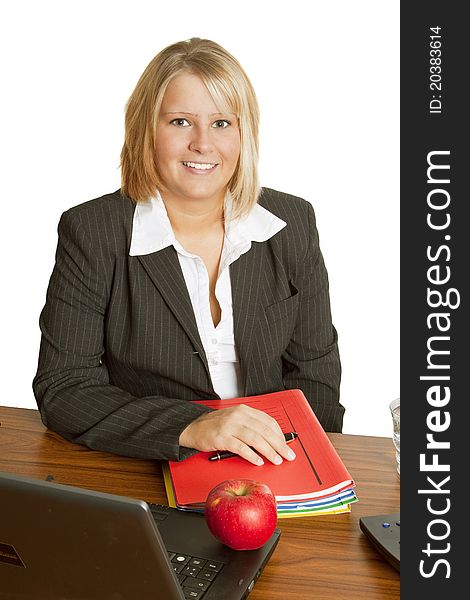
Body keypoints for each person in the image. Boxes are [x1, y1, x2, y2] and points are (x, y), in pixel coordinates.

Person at [33, 37, 343, 467]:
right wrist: (190, 425)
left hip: (277, 462)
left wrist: (313, 471)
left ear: (243, 133)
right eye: (180, 122)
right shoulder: (94, 231)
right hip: (152, 463)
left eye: (221, 123)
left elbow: (316, 375)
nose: (202, 143)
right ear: (146, 128)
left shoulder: (292, 223)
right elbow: (65, 386)